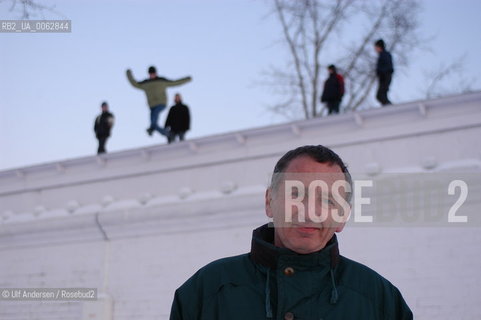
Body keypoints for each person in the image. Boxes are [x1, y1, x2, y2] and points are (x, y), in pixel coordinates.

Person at [170, 145, 413, 320]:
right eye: (296, 194)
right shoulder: (207, 290)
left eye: (328, 200)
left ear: (342, 216)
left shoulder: (381, 301)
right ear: (269, 202)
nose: (310, 212)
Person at [126, 66, 192, 138]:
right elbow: (134, 84)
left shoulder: (161, 81)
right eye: (151, 74)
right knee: (153, 124)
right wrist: (128, 74)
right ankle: (160, 131)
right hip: (152, 106)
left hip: (161, 104)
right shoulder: (145, 84)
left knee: (153, 123)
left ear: (156, 73)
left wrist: (187, 79)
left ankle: (167, 134)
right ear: (149, 74)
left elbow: (175, 82)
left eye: (153, 73)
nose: (152, 75)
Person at [375, 39, 394, 105]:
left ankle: (389, 107)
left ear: (379, 46)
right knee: (382, 95)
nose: (375, 49)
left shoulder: (385, 55)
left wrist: (382, 73)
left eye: (376, 47)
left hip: (385, 76)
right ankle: (387, 106)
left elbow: (388, 67)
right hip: (383, 76)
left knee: (380, 95)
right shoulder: (382, 55)